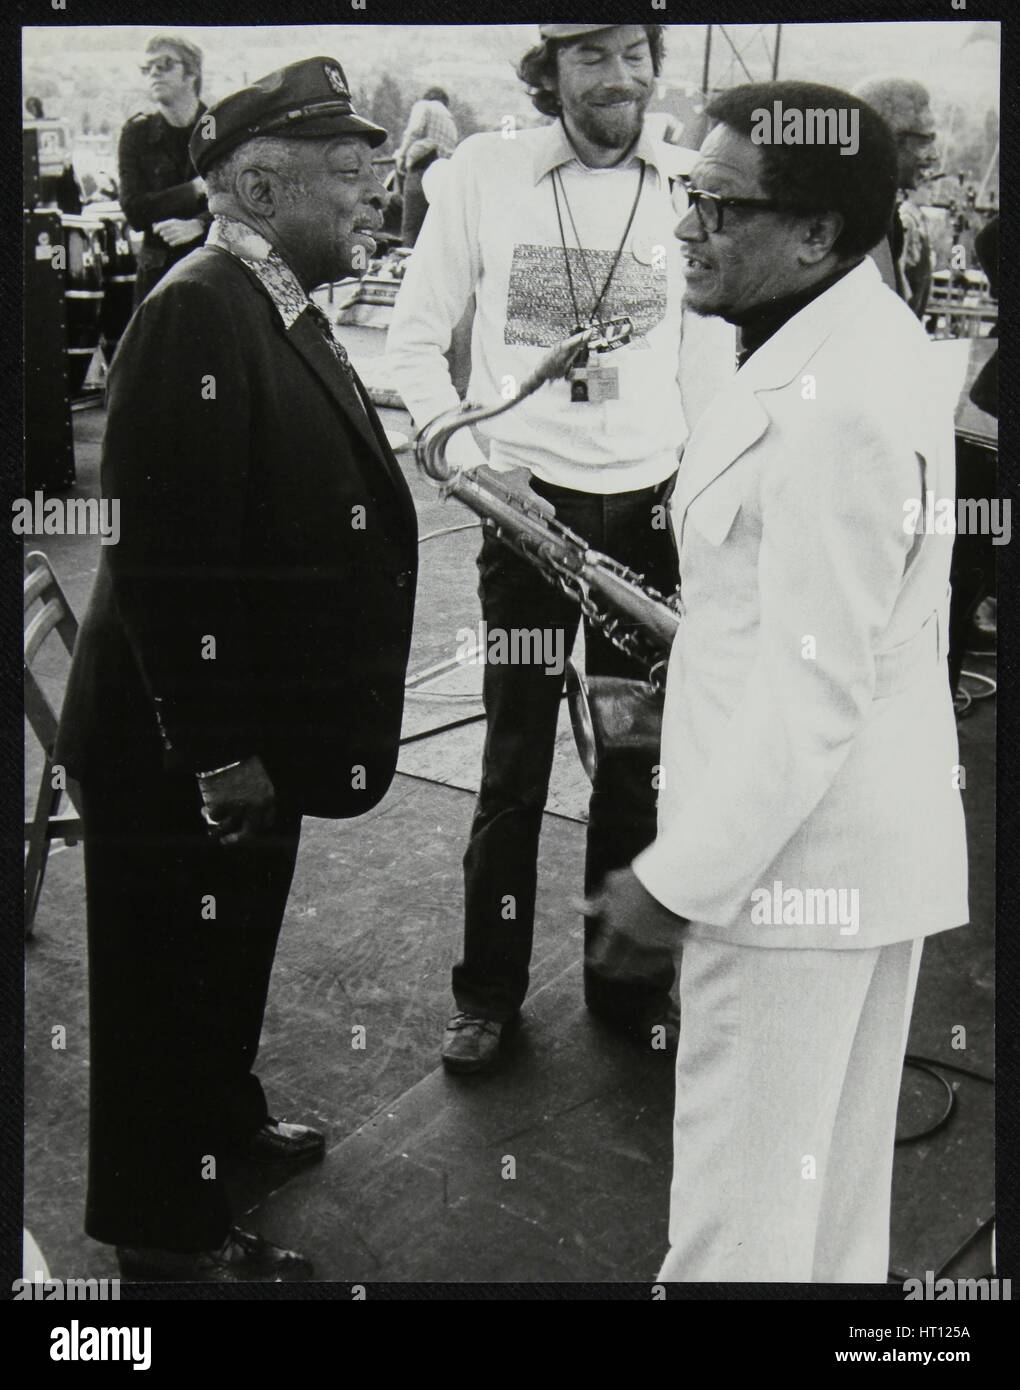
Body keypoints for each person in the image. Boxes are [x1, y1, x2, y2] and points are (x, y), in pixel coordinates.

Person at [589, 81, 969, 1282]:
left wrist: (675, 882)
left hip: (789, 874)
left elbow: (812, 695)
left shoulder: (833, 404)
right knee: (826, 1227)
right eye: (686, 196)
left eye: (718, 205)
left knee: (738, 1237)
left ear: (815, 234)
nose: (685, 230)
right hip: (855, 858)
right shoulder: (852, 340)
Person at [55, 56, 418, 1282]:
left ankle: (220, 1127)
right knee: (169, 981)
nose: (376, 200)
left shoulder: (270, 296)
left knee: (226, 951)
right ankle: (165, 1238)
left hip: (236, 732)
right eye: (352, 180)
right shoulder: (201, 303)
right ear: (259, 182)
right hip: (183, 741)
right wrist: (217, 752)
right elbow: (168, 557)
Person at [387, 22, 734, 1073]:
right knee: (514, 763)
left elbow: (717, 358)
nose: (621, 75)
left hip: (652, 520)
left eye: (635, 51)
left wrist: (710, 500)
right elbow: (413, 340)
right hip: (526, 518)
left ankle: (625, 988)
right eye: (592, 56)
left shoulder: (690, 182)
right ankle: (487, 992)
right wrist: (462, 457)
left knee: (635, 764)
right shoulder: (485, 174)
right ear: (549, 73)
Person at [118, 34, 210, 306]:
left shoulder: (218, 127)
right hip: (156, 275)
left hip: (213, 268)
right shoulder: (136, 133)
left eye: (166, 64)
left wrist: (199, 224)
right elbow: (134, 210)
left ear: (191, 73)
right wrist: (193, 189)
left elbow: (240, 201)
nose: (154, 73)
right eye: (148, 68)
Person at [855, 76, 938, 317]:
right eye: (924, 142)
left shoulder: (887, 212)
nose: (934, 156)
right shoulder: (863, 215)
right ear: (888, 141)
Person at [393, 86, 459, 246]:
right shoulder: (450, 121)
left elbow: (414, 131)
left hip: (421, 168)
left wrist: (401, 155)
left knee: (411, 227)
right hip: (443, 174)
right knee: (432, 229)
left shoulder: (424, 106)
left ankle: (404, 264)